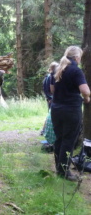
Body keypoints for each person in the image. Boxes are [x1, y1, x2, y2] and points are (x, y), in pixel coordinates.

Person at [50, 46, 90, 181]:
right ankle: (64, 171)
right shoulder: (75, 71)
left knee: (60, 139)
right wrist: (87, 98)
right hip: (71, 110)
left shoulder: (57, 69)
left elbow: (52, 89)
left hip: (56, 109)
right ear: (77, 57)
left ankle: (59, 168)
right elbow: (85, 91)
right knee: (69, 140)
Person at [40, 61, 59, 136]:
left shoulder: (51, 76)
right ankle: (44, 130)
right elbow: (46, 89)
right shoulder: (49, 77)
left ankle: (45, 130)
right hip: (51, 99)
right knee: (50, 116)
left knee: (50, 115)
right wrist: (50, 98)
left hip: (52, 99)